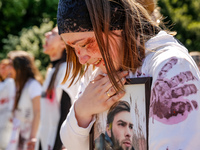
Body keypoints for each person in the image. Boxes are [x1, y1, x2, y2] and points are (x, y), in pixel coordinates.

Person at [57, 0, 200, 150]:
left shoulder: (171, 66)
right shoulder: (95, 72)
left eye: (85, 44)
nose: (81, 58)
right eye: (73, 48)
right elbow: (71, 144)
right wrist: (81, 110)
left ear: (115, 24)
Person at [35, 26, 80, 150]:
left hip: (58, 144)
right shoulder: (52, 71)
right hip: (46, 142)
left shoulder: (68, 69)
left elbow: (66, 112)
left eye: (53, 34)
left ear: (63, 44)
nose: (46, 35)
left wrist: (57, 146)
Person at [7, 50, 43, 150]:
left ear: (20, 67)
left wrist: (32, 137)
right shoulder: (16, 85)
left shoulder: (33, 85)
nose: (8, 68)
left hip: (29, 137)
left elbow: (38, 112)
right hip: (17, 135)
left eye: (11, 64)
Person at [0, 59, 16, 150]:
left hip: (8, 119)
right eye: (2, 68)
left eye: (5, 68)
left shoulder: (11, 82)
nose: (4, 70)